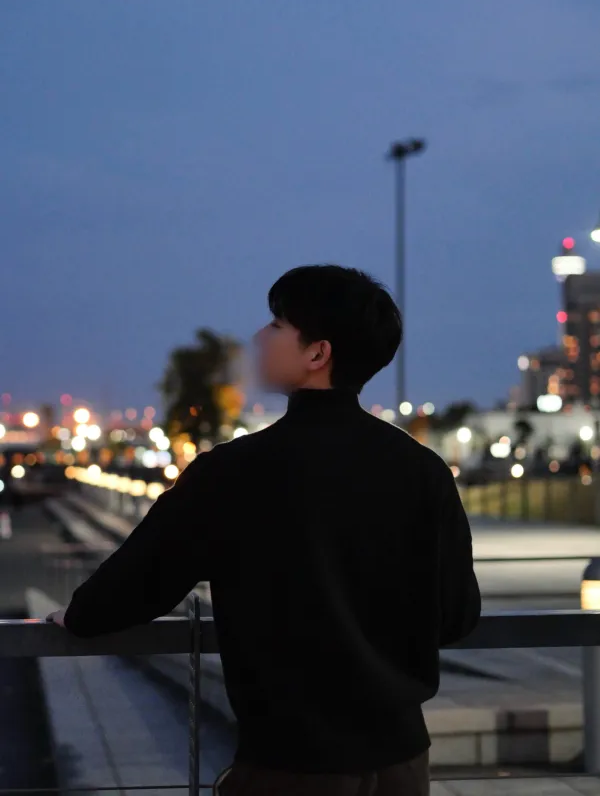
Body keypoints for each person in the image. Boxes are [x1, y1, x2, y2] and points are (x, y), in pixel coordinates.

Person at [49, 264, 480, 796]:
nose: (259, 336)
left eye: (277, 325)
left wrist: (77, 616)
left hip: (290, 766)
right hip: (403, 765)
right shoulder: (423, 470)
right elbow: (457, 615)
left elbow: (141, 580)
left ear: (317, 353)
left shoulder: (233, 471)